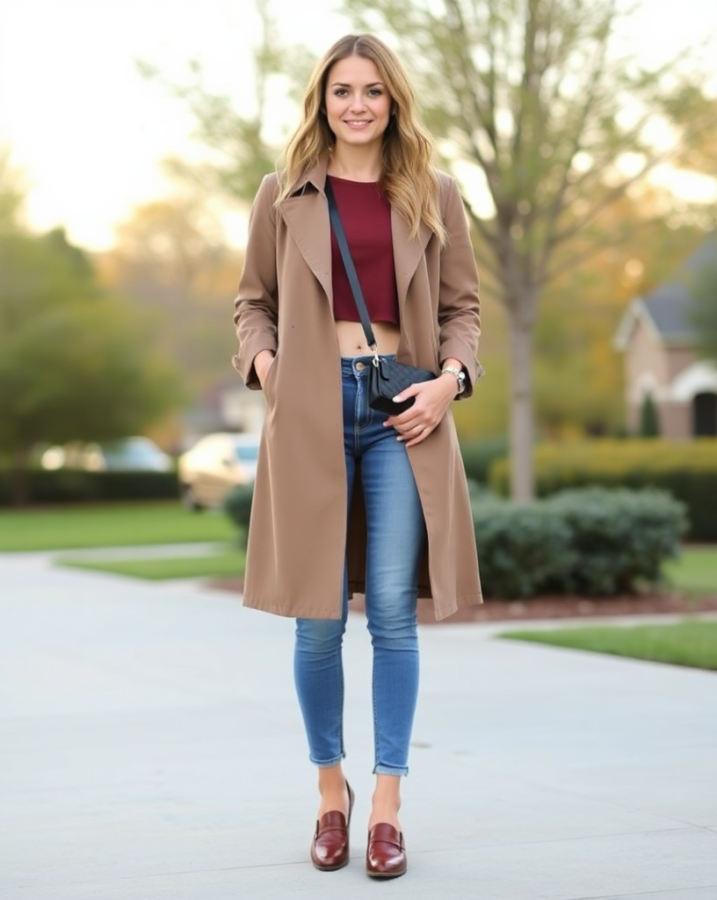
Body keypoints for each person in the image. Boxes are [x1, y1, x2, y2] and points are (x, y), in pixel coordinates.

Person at [232, 33, 484, 879]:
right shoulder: (282, 195)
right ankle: (329, 793)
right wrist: (267, 366)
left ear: (393, 101)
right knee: (315, 621)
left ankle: (386, 805)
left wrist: (451, 380)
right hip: (308, 413)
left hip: (400, 413)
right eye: (341, 90)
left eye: (372, 91)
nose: (356, 105)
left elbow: (464, 311)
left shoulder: (435, 194)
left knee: (390, 613)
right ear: (322, 100)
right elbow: (250, 303)